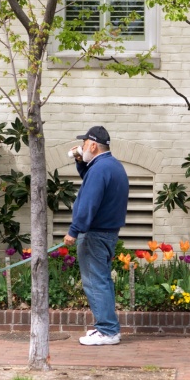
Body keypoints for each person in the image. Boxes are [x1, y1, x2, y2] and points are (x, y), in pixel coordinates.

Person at [63, 124, 129, 346]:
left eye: (84, 144)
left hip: (94, 234)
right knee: (102, 280)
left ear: (92, 145)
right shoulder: (112, 166)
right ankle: (108, 328)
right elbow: (93, 184)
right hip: (108, 233)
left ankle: (107, 331)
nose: (82, 147)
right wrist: (80, 163)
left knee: (94, 282)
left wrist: (74, 230)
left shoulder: (100, 169)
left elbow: (89, 201)